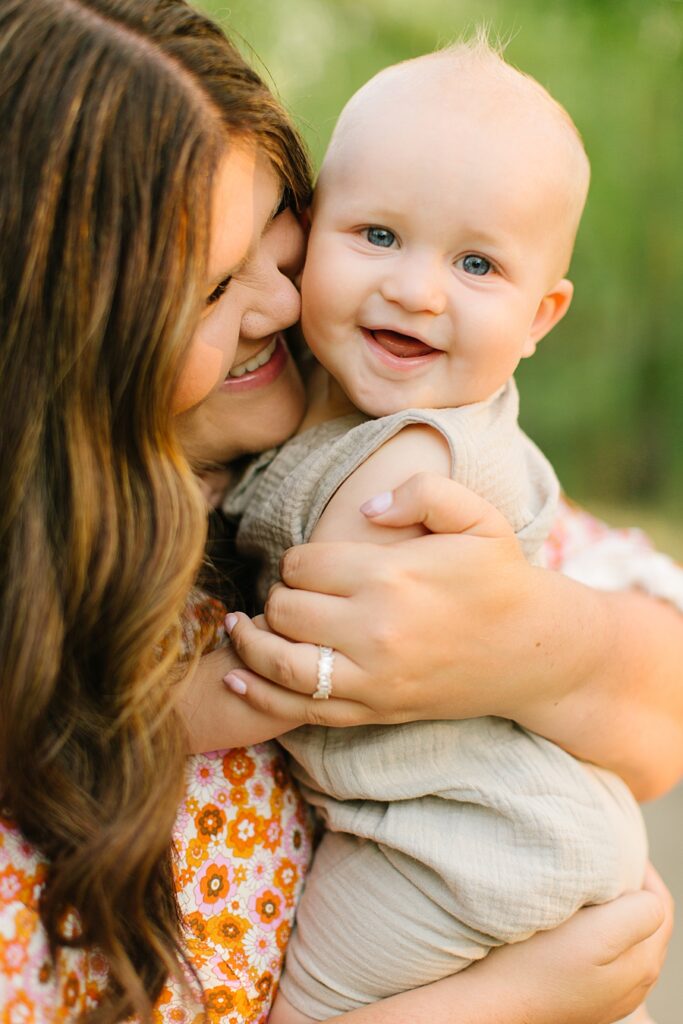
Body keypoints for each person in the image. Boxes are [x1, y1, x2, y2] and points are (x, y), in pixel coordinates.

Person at [0, 2, 676, 1023]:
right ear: (71, 336)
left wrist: (541, 645)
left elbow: (659, 690)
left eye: (284, 228)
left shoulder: (362, 427)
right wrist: (496, 1007)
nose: (278, 302)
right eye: (218, 284)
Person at [218, 40, 658, 1023]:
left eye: (474, 262)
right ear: (307, 232)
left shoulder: (404, 472)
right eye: (376, 235)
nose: (418, 289)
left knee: (305, 1010)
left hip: (454, 851)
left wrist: (138, 724)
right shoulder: (367, 410)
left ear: (540, 314)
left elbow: (289, 673)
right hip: (499, 834)